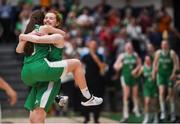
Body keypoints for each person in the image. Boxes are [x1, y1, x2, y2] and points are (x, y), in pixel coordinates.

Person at [16, 10, 103, 123]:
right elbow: (42, 37)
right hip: (44, 70)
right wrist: (27, 34)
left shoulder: (54, 35)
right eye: (46, 18)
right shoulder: (42, 31)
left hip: (30, 72)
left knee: (34, 115)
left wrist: (24, 35)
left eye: (51, 18)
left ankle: (59, 98)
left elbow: (20, 48)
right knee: (75, 64)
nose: (47, 20)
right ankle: (86, 97)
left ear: (57, 23)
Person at [113, 42, 141, 122]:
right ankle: (125, 114)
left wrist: (136, 69)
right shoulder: (122, 56)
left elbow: (139, 64)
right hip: (125, 76)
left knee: (135, 94)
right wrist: (120, 66)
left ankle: (136, 109)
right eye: (127, 47)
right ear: (125, 48)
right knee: (126, 94)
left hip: (134, 76)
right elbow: (115, 66)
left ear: (132, 47)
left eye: (130, 47)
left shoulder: (135, 55)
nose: (129, 48)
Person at [81, 40, 106, 123]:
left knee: (97, 98)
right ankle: (86, 117)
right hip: (87, 80)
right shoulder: (85, 56)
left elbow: (102, 67)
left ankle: (96, 118)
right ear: (89, 46)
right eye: (92, 44)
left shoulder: (100, 56)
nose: (93, 46)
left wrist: (96, 58)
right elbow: (81, 68)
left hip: (98, 80)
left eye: (95, 44)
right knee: (86, 98)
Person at [152, 40, 177, 122]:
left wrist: (173, 74)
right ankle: (163, 112)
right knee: (161, 92)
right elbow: (155, 64)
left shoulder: (172, 53)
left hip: (169, 75)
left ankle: (172, 114)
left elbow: (175, 65)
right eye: (162, 44)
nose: (164, 46)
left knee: (171, 94)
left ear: (168, 45)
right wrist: (154, 73)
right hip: (161, 75)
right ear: (161, 45)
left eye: (165, 44)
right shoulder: (158, 53)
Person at [137, 56, 158, 123]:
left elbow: (155, 77)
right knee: (147, 102)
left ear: (151, 61)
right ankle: (147, 118)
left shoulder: (154, 67)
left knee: (154, 103)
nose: (147, 61)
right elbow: (137, 76)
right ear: (145, 61)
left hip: (154, 87)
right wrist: (138, 68)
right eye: (146, 60)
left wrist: (154, 72)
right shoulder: (143, 68)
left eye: (149, 60)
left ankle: (155, 118)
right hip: (147, 87)